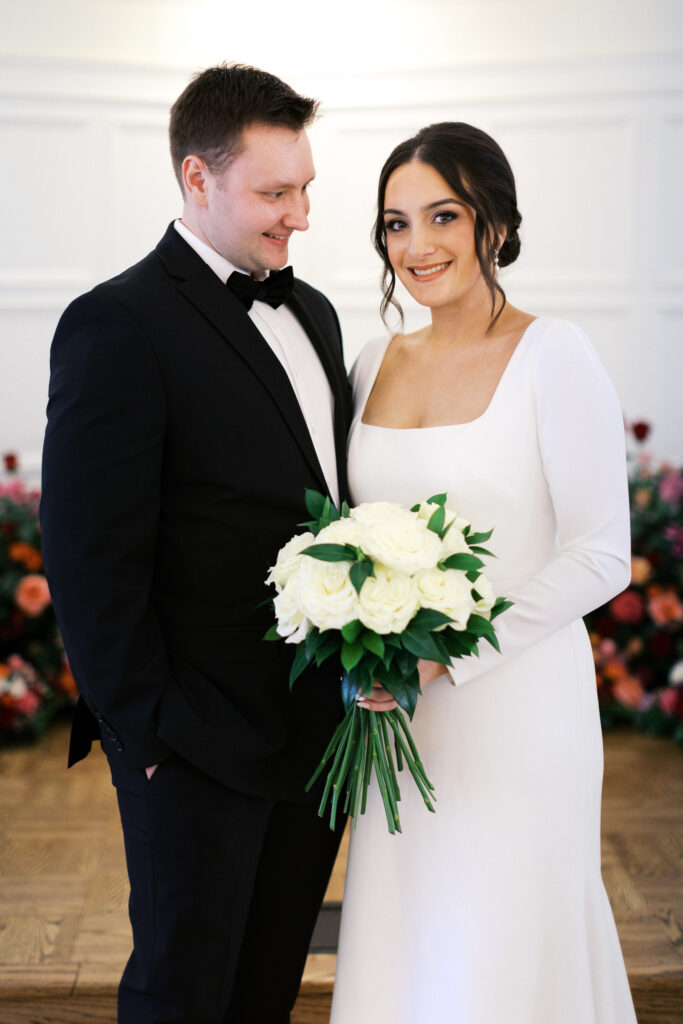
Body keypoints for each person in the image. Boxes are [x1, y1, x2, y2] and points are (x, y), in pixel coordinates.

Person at [40, 63, 351, 1024]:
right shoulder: (115, 323)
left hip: (313, 734)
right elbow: (90, 562)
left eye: (305, 189)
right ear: (196, 179)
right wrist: (151, 740)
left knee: (265, 990)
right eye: (273, 193)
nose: (298, 214)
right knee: (183, 992)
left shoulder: (313, 312)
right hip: (192, 744)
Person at [331, 123, 637, 1023]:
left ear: (493, 225)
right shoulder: (370, 361)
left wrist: (447, 654)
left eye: (442, 216)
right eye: (395, 223)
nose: (416, 246)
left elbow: (599, 552)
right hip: (399, 715)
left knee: (504, 936)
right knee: (409, 932)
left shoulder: (555, 355)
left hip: (516, 709)